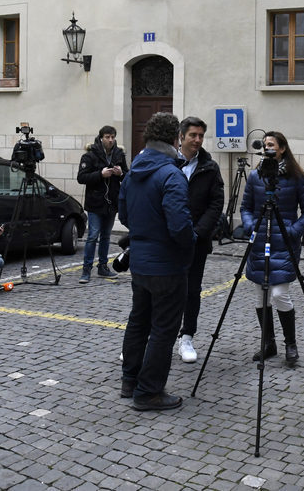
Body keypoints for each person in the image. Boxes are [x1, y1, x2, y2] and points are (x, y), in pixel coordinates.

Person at [117, 112, 195, 411]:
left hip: (141, 260)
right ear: (175, 138)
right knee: (163, 328)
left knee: (139, 321)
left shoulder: (135, 170)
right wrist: (190, 242)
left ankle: (130, 380)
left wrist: (145, 231)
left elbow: (124, 215)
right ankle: (148, 391)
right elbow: (179, 225)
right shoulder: (171, 174)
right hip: (166, 262)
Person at [240, 131, 304, 364]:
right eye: (264, 145)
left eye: (271, 145)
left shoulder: (296, 177)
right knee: (261, 295)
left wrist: (293, 231)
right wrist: (252, 226)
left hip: (284, 243)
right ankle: (268, 343)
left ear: (282, 148)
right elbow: (245, 207)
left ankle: (290, 344)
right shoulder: (255, 176)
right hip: (260, 242)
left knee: (280, 293)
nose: (267, 149)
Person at [176, 117, 225, 364]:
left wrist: (199, 232)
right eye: (193, 135)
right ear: (181, 136)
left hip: (197, 241)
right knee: (162, 289)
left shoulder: (209, 166)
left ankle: (187, 337)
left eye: (201, 136)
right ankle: (152, 336)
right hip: (168, 241)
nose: (197, 140)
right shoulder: (167, 162)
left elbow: (216, 203)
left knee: (192, 290)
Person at [77, 125, 127, 284]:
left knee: (106, 236)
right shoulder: (90, 155)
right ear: (101, 138)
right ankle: (86, 269)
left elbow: (127, 175)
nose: (110, 140)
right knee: (92, 236)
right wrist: (100, 174)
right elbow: (81, 177)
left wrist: (121, 173)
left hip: (111, 202)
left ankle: (103, 267)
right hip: (95, 202)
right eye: (107, 137)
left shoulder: (119, 154)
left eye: (113, 137)